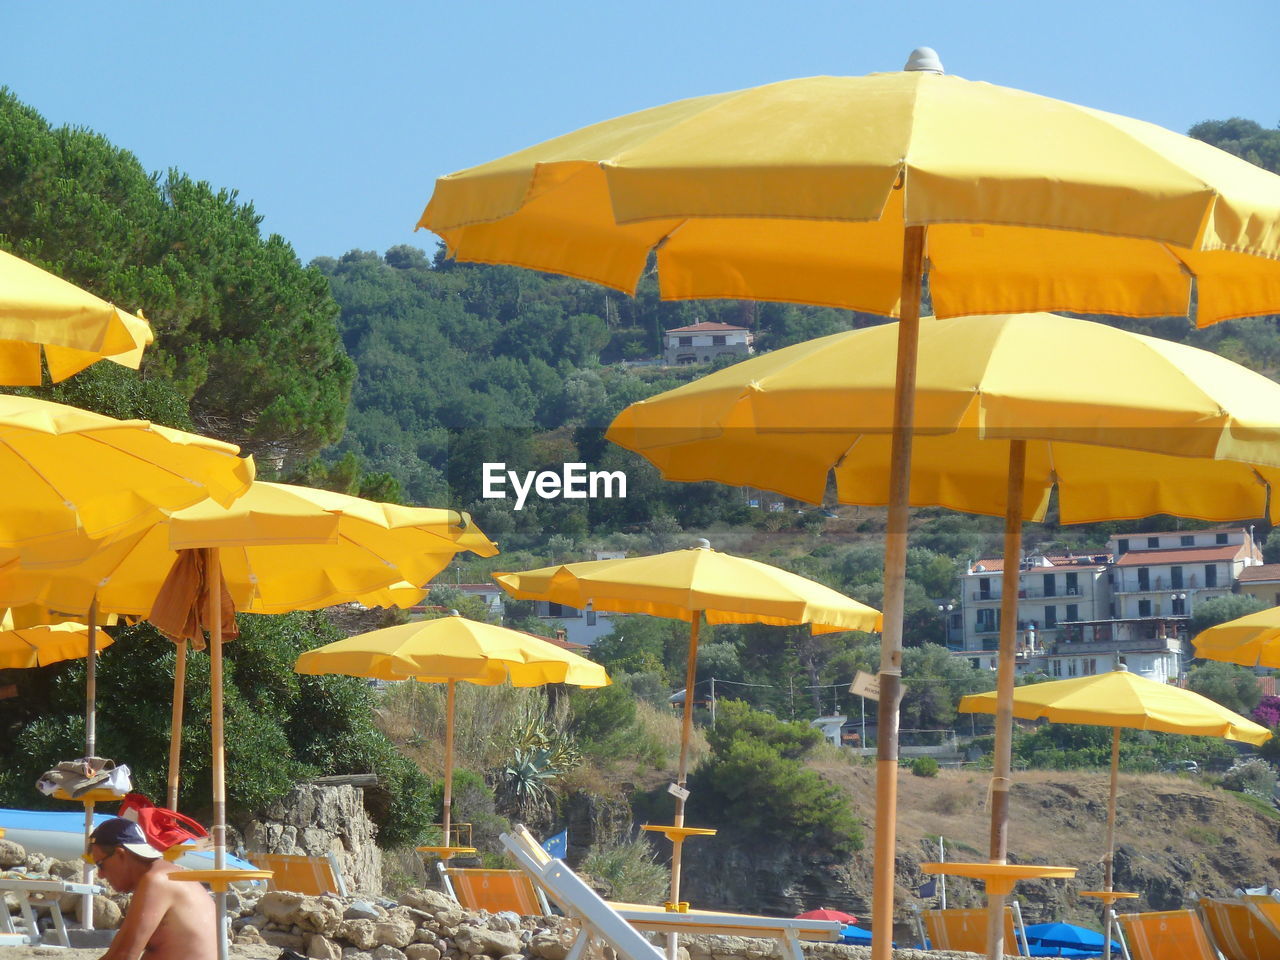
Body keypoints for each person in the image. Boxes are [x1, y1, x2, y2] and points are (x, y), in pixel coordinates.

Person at [84, 816, 216, 960]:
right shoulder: (169, 874)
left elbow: (122, 956)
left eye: (100, 865)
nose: (100, 875)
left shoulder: (156, 881)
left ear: (120, 854)